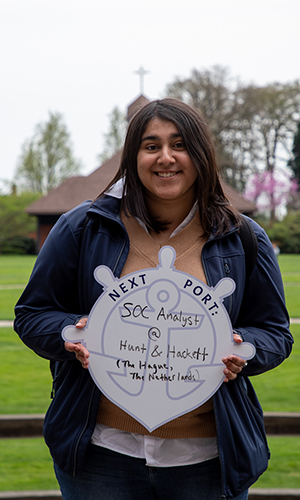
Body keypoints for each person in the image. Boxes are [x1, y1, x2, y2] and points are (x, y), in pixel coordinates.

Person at [14, 98, 293, 500]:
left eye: (179, 144)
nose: (166, 158)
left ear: (200, 154)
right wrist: (70, 335)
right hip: (99, 455)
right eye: (151, 146)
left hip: (206, 460)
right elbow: (32, 314)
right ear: (133, 156)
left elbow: (274, 333)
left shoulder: (243, 236)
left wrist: (243, 350)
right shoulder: (82, 226)